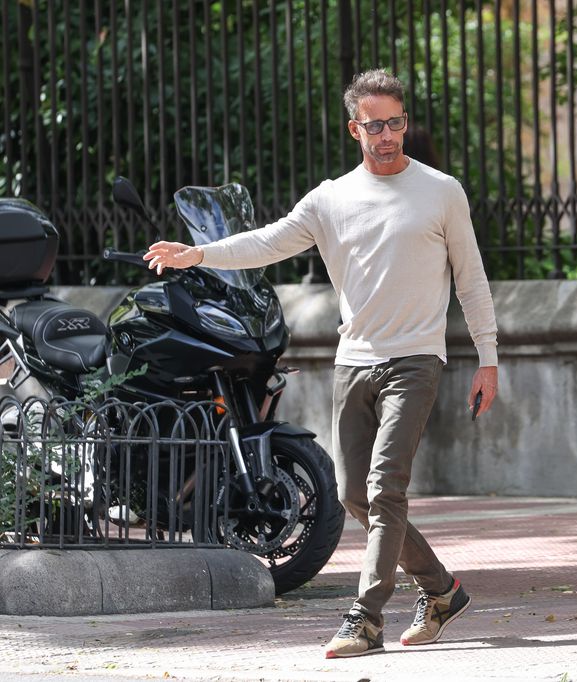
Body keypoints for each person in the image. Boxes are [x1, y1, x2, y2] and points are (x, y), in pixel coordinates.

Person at [144, 68, 499, 656]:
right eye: (375, 125)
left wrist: (488, 357)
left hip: (416, 359)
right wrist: (198, 254)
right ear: (353, 128)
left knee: (386, 487)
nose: (387, 136)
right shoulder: (331, 198)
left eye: (396, 123)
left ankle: (366, 616)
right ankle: (441, 590)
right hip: (353, 360)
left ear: (404, 123)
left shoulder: (441, 190)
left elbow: (473, 280)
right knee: (353, 493)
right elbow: (268, 240)